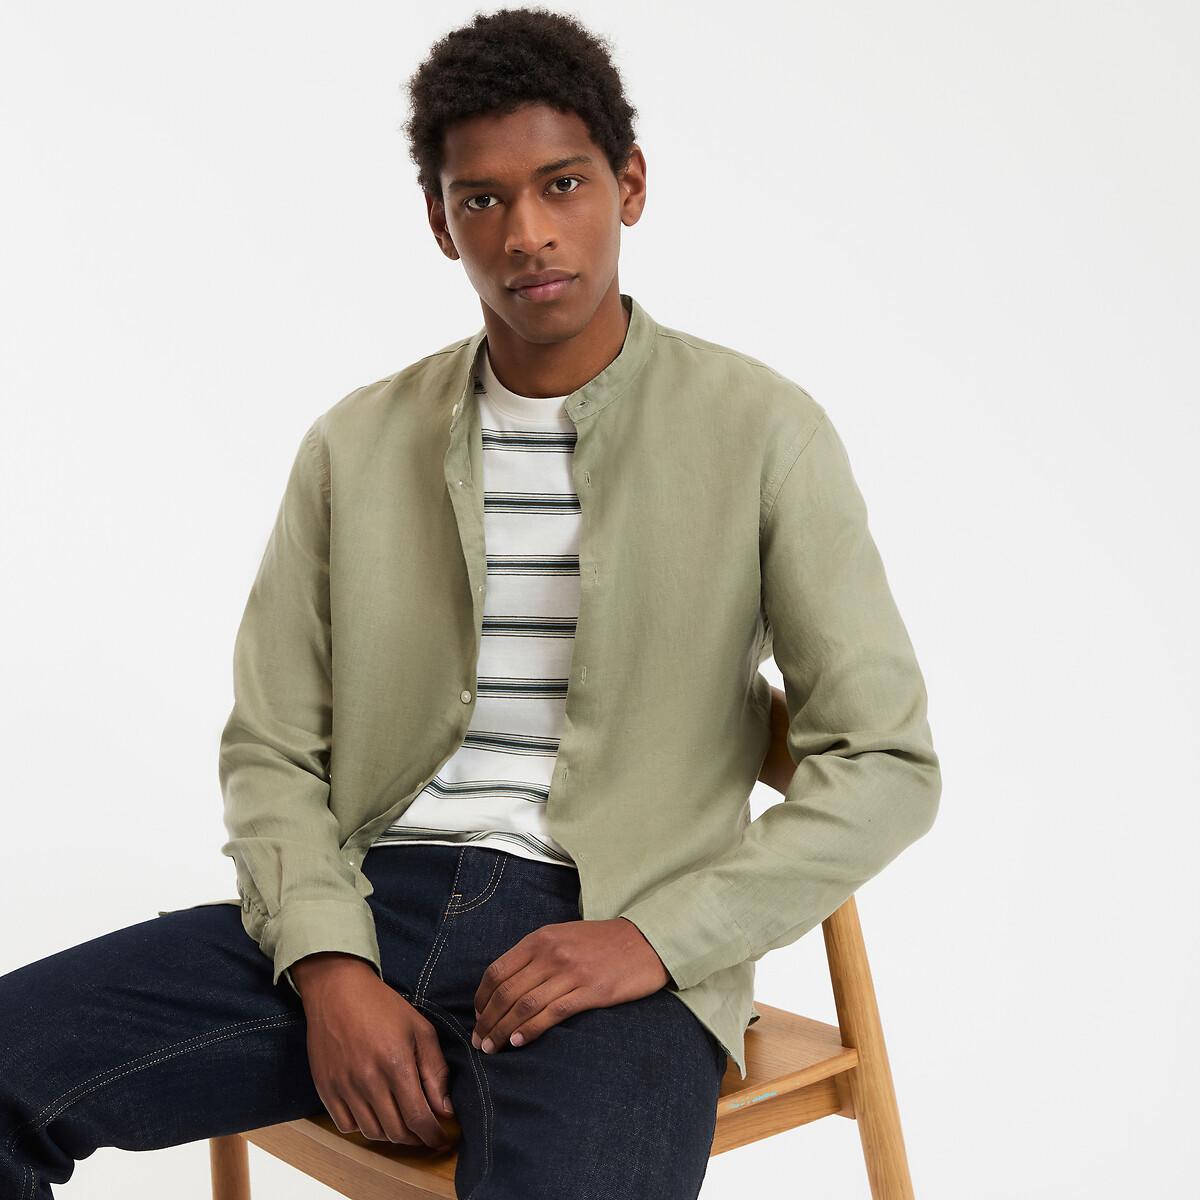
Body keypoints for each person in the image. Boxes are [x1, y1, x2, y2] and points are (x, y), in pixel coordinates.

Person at [0, 8, 941, 1198]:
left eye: (563, 184)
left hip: (616, 931)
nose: (527, 233)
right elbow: (273, 748)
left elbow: (884, 762)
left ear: (630, 186)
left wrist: (655, 941)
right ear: (440, 222)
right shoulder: (355, 446)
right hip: (367, 901)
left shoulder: (762, 431)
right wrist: (330, 966)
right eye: (483, 199)